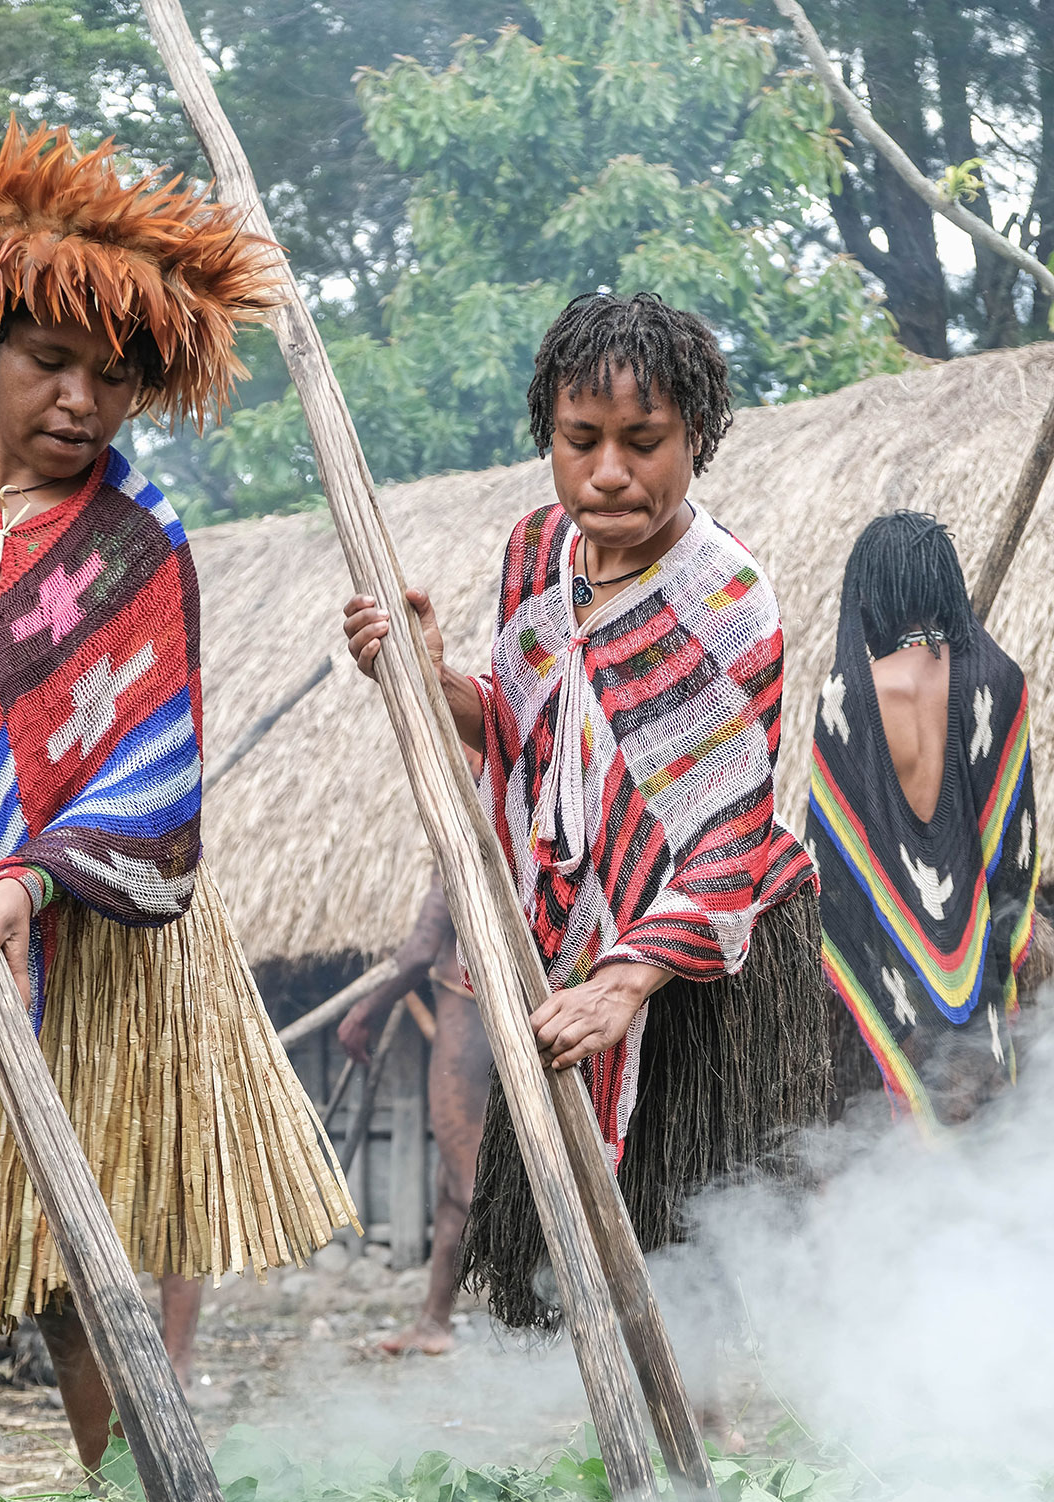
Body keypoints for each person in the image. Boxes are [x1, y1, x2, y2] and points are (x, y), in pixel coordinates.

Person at [0, 121, 354, 1502]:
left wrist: (26, 886)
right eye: (51, 362)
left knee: (81, 1280)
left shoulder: (138, 548)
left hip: (84, 953)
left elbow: (149, 782)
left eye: (112, 377)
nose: (81, 400)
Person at [344, 290, 827, 1409]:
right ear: (548, 438)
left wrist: (629, 976)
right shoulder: (533, 555)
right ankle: (627, 1466)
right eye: (580, 441)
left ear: (696, 438)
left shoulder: (726, 603)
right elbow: (518, 733)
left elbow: (725, 830)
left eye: (642, 443)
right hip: (568, 941)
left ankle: (693, 1462)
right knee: (588, 1251)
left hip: (699, 955)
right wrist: (422, 675)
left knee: (679, 1228)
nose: (608, 472)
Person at [807, 510, 1043, 1128]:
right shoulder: (1000, 681)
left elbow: (831, 868)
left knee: (914, 1162)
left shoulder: (846, 698)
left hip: (897, 993)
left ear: (873, 599)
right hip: (985, 987)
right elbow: (1014, 850)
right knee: (993, 1145)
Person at [338, 873, 491, 1355]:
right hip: (482, 1018)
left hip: (471, 1027)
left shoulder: (466, 820)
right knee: (450, 1184)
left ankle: (574, 1319)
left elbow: (422, 950)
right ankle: (432, 1323)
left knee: (470, 1186)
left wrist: (364, 1011)